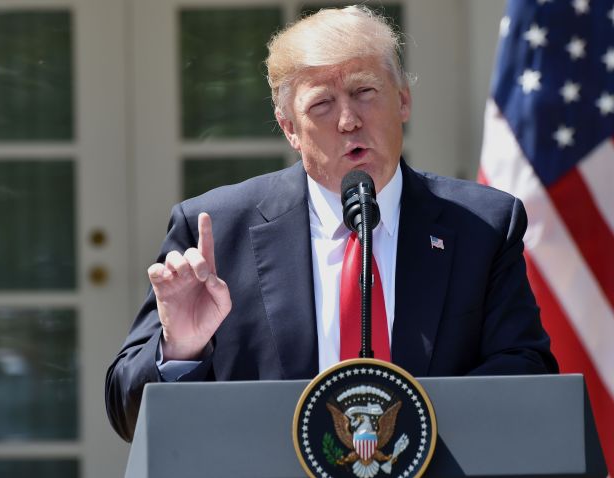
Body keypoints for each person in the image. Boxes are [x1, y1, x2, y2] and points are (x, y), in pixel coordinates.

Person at [105, 5, 557, 442]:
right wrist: (181, 350)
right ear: (289, 129)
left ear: (403, 100)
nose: (348, 120)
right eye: (321, 104)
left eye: (365, 92)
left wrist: (416, 438)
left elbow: (526, 374)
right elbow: (128, 416)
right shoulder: (216, 233)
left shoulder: (483, 225)